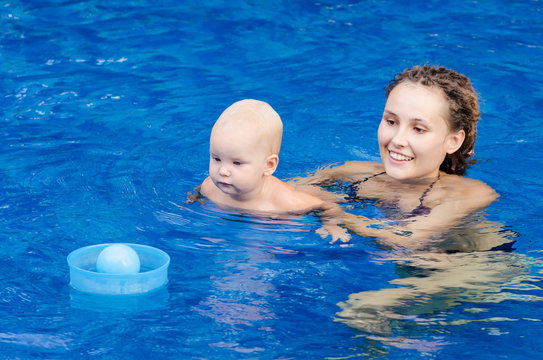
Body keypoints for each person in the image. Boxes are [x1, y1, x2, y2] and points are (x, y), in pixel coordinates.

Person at [292, 65, 514, 252]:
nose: (398, 139)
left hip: (479, 272)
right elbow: (282, 191)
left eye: (418, 129)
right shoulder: (356, 173)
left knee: (365, 305)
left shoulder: (469, 193)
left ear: (453, 141)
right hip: (416, 270)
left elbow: (404, 239)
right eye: (391, 122)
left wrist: (329, 208)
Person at [197, 99, 349, 241]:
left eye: (237, 163)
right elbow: (197, 193)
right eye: (216, 158)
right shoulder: (209, 188)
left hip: (304, 191)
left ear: (268, 165)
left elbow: (328, 206)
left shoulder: (288, 202)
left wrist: (331, 224)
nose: (223, 171)